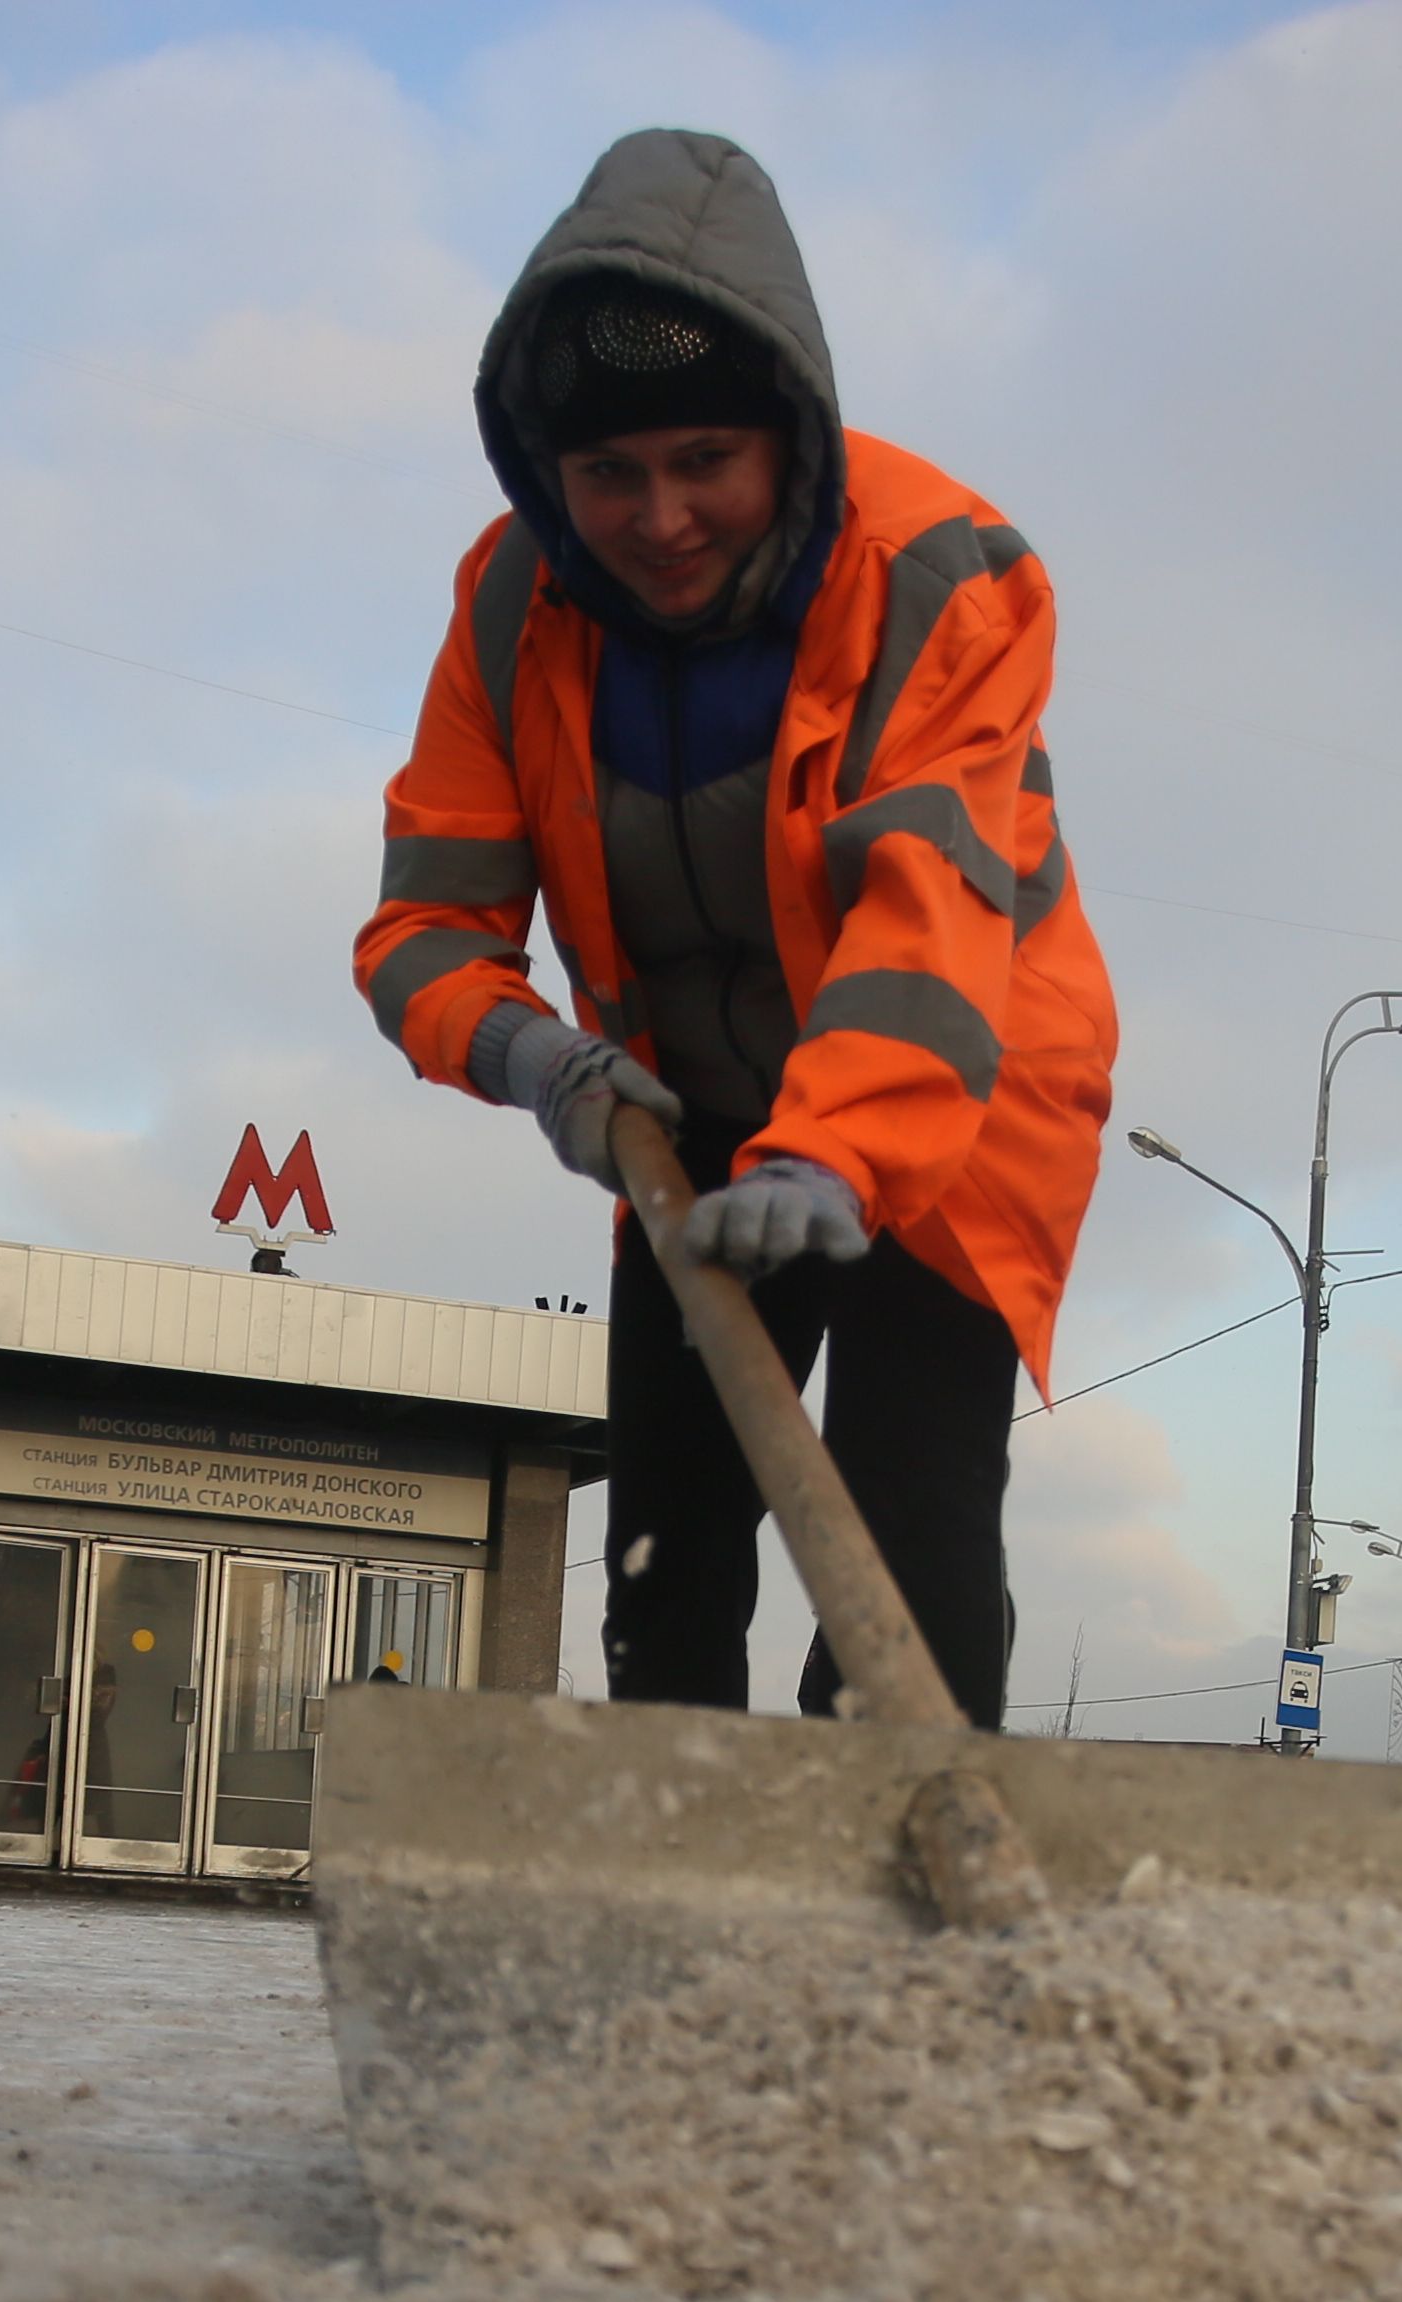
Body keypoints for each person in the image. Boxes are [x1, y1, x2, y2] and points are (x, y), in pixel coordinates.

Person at [351, 128, 1114, 1731]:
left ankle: (891, 1904)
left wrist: (834, 1154)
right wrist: (534, 1057)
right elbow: (425, 923)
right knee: (667, 1546)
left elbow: (929, 903)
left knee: (906, 1542)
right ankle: (671, 1895)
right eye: (609, 473)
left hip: (952, 1077)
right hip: (680, 1107)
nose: (661, 515)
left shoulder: (935, 576)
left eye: (705, 458)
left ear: (789, 435)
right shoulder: (510, 609)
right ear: (544, 470)